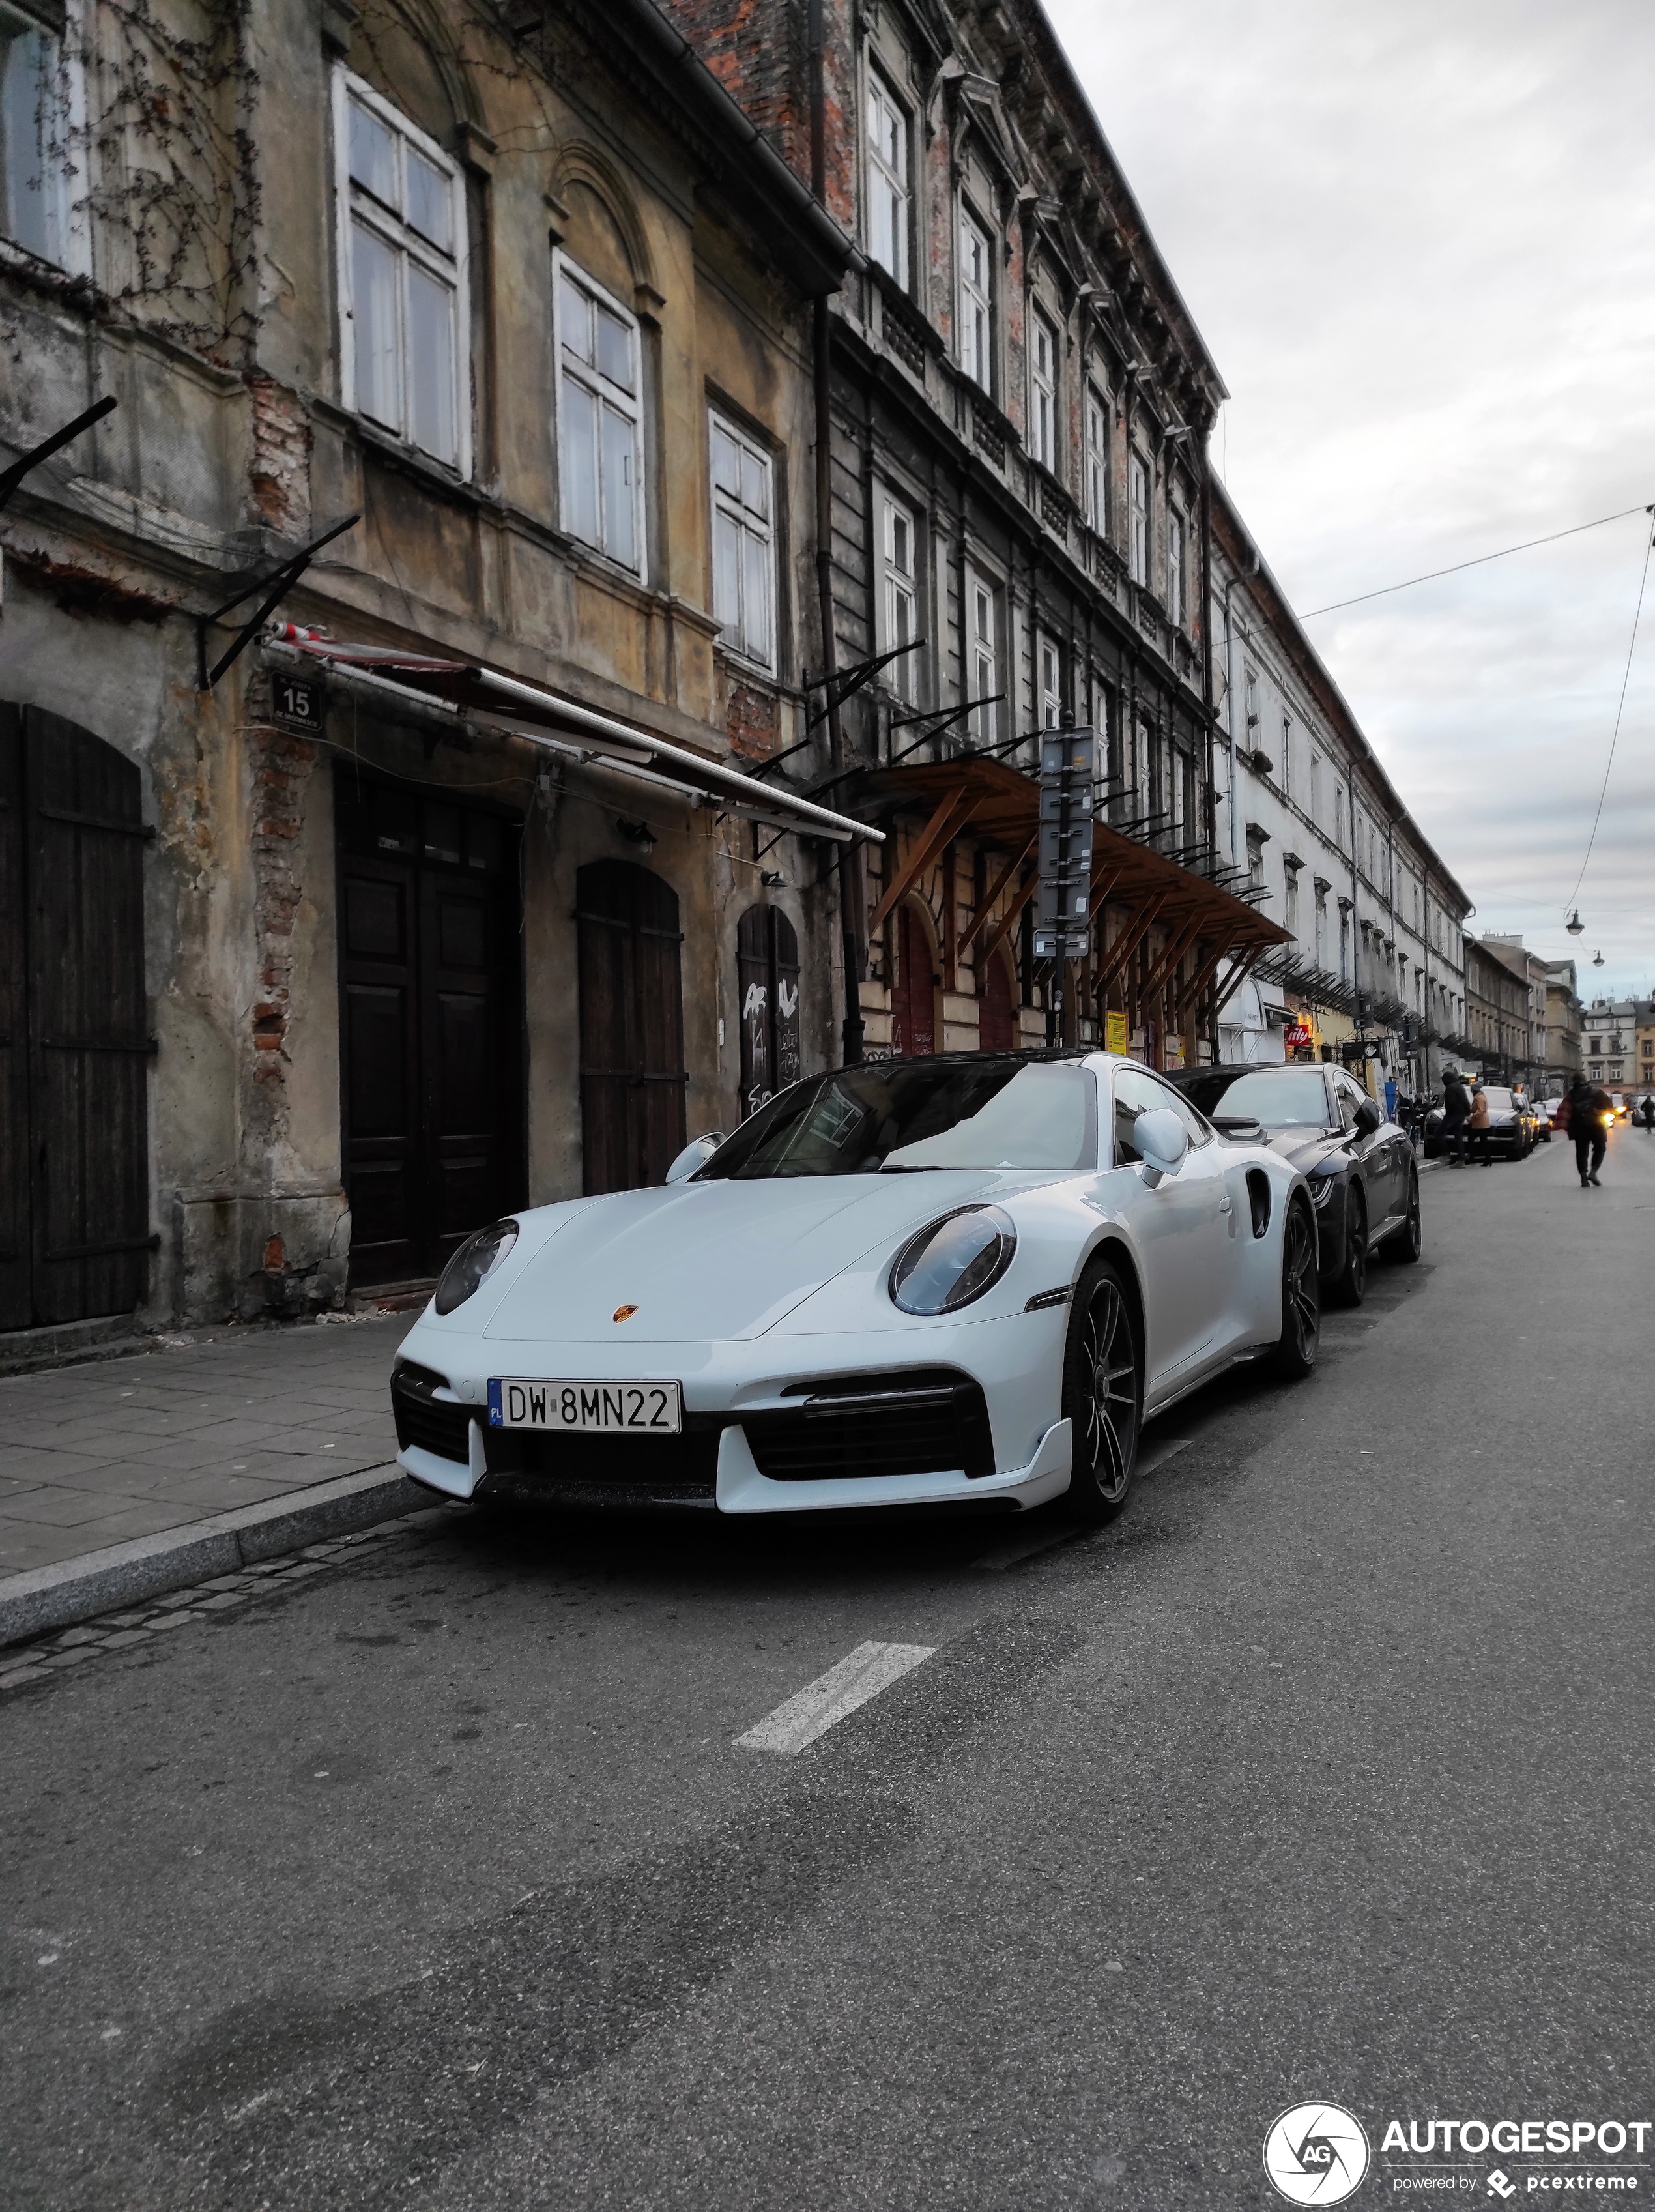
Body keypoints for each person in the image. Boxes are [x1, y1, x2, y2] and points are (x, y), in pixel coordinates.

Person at [1564, 1072, 1613, 1187]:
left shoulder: (1571, 1095)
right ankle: (1593, 1172)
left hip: (1578, 1126)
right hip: (1596, 1124)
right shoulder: (1596, 1092)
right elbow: (1609, 1105)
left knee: (1581, 1151)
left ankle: (1583, 1178)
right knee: (1600, 1147)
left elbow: (1565, 1111)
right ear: (1585, 1080)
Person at [1441, 1069, 1472, 1167]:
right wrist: (1467, 1112)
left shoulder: (1450, 1088)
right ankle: (1461, 1158)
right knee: (1458, 1136)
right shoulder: (1459, 1087)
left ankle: (1446, 1154)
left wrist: (1448, 1116)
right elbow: (1465, 1101)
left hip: (1453, 1115)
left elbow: (1451, 1103)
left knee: (1439, 1132)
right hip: (1461, 1115)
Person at [1468, 1080, 1493, 1165]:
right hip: (1482, 1122)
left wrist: (1472, 1117)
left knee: (1473, 1140)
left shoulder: (1479, 1098)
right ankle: (1487, 1159)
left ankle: (1473, 1157)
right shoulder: (1480, 1097)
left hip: (1481, 1123)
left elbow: (1480, 1110)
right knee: (1483, 1141)